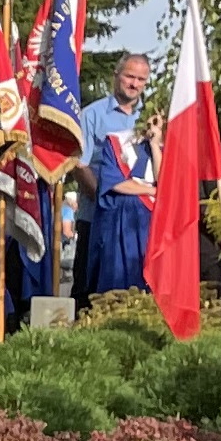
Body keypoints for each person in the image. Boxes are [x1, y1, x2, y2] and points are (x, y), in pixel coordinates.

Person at [79, 54, 156, 300]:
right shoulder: (92, 115)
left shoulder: (152, 117)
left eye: (141, 79)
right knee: (89, 290)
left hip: (141, 222)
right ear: (116, 76)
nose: (134, 84)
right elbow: (80, 164)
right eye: (129, 76)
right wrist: (104, 203)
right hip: (97, 215)